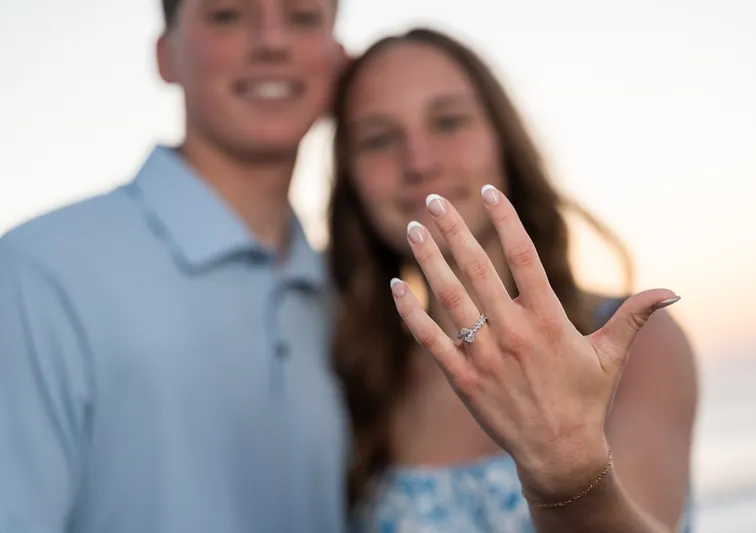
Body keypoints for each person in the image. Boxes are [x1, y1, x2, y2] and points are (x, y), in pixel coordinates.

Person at [328, 28, 698, 532]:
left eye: (448, 121)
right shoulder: (355, 376)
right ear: (349, 179)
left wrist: (568, 474)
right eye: (378, 139)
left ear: (502, 139)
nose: (419, 161)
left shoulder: (625, 342)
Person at [0, 1, 348, 532]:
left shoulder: (345, 302)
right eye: (228, 15)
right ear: (166, 56)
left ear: (336, 59)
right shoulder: (40, 271)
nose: (273, 42)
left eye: (303, 17)